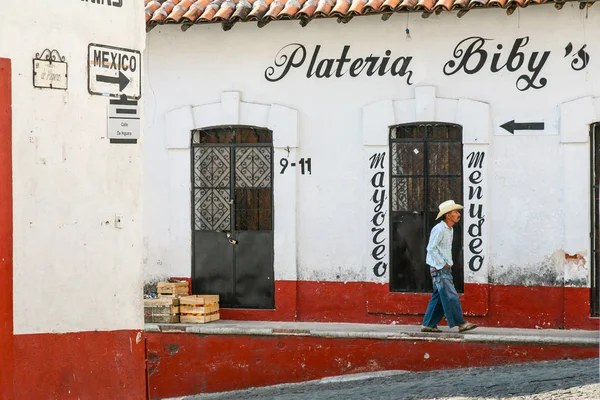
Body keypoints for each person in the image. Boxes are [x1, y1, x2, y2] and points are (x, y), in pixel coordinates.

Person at [421, 200, 477, 333]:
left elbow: (442, 249)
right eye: (455, 212)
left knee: (439, 297)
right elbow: (431, 248)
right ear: (447, 215)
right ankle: (461, 323)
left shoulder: (449, 229)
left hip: (442, 268)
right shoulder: (440, 229)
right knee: (451, 295)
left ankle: (428, 324)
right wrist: (442, 263)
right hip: (439, 268)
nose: (458, 214)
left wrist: (447, 264)